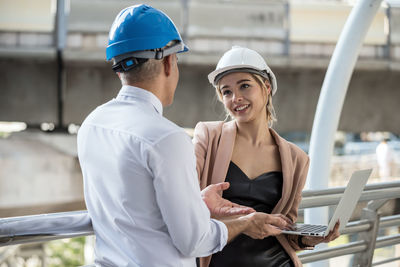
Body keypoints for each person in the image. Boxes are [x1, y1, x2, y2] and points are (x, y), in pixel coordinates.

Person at [77, 6, 291, 267]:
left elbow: (135, 207)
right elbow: (194, 240)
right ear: (169, 62)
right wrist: (245, 223)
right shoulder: (166, 138)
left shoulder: (92, 124)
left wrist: (199, 203)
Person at [193, 46, 340, 267]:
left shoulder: (296, 158)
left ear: (266, 87)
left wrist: (307, 239)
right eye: (227, 91)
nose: (236, 98)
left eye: (244, 86)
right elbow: (185, 204)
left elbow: (285, 227)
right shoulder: (208, 136)